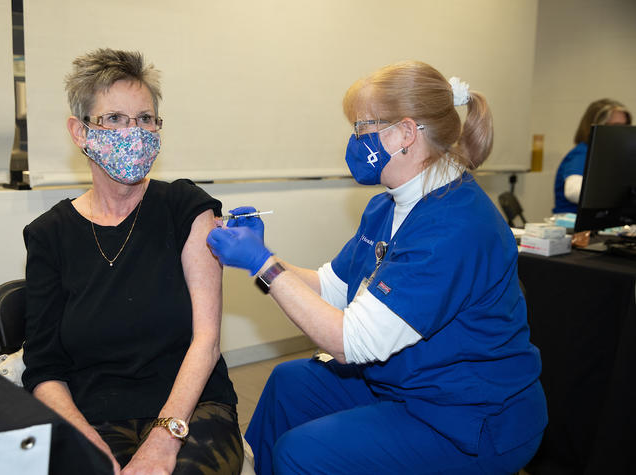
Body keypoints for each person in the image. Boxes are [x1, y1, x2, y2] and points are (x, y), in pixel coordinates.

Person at [207, 61, 547, 474]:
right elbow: (333, 287)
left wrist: (263, 265)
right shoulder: (388, 206)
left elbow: (350, 342)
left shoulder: (455, 227)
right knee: (288, 384)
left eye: (362, 128)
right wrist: (262, 254)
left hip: (471, 419)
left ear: (405, 133)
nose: (354, 141)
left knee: (303, 453)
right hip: (407, 386)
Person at [22, 48, 243, 474]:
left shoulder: (185, 207)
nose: (134, 132)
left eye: (145, 119)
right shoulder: (49, 235)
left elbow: (207, 340)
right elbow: (44, 369)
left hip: (191, 404)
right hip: (93, 413)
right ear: (81, 132)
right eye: (115, 119)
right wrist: (84, 441)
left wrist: (164, 438)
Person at [553, 98, 631, 214]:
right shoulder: (583, 153)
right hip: (573, 226)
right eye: (616, 126)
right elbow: (573, 191)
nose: (622, 132)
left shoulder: (605, 156)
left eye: (625, 126)